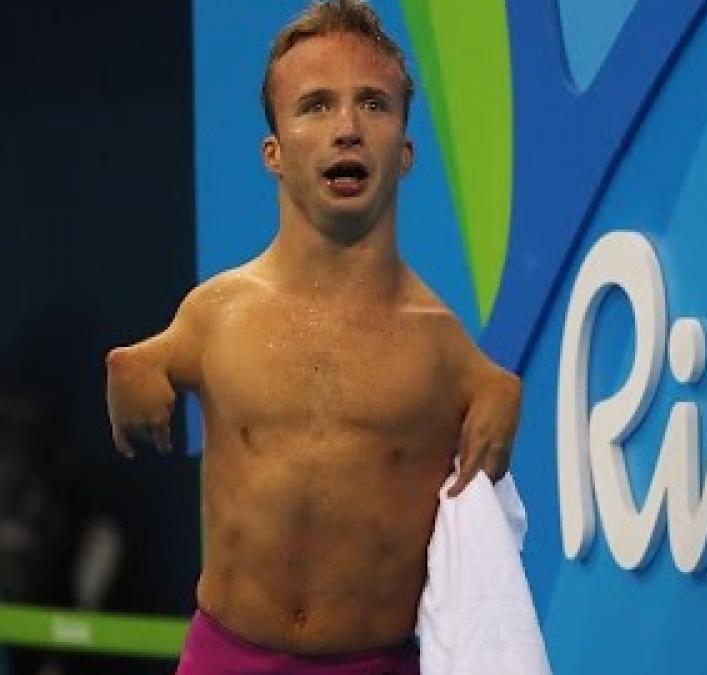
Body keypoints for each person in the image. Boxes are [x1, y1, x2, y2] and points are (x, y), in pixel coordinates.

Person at [104, 1, 522, 672]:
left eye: (375, 105)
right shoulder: (216, 314)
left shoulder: (443, 349)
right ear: (274, 152)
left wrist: (507, 396)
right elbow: (139, 361)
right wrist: (128, 372)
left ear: (406, 152)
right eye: (316, 106)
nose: (348, 128)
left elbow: (496, 385)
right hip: (224, 657)